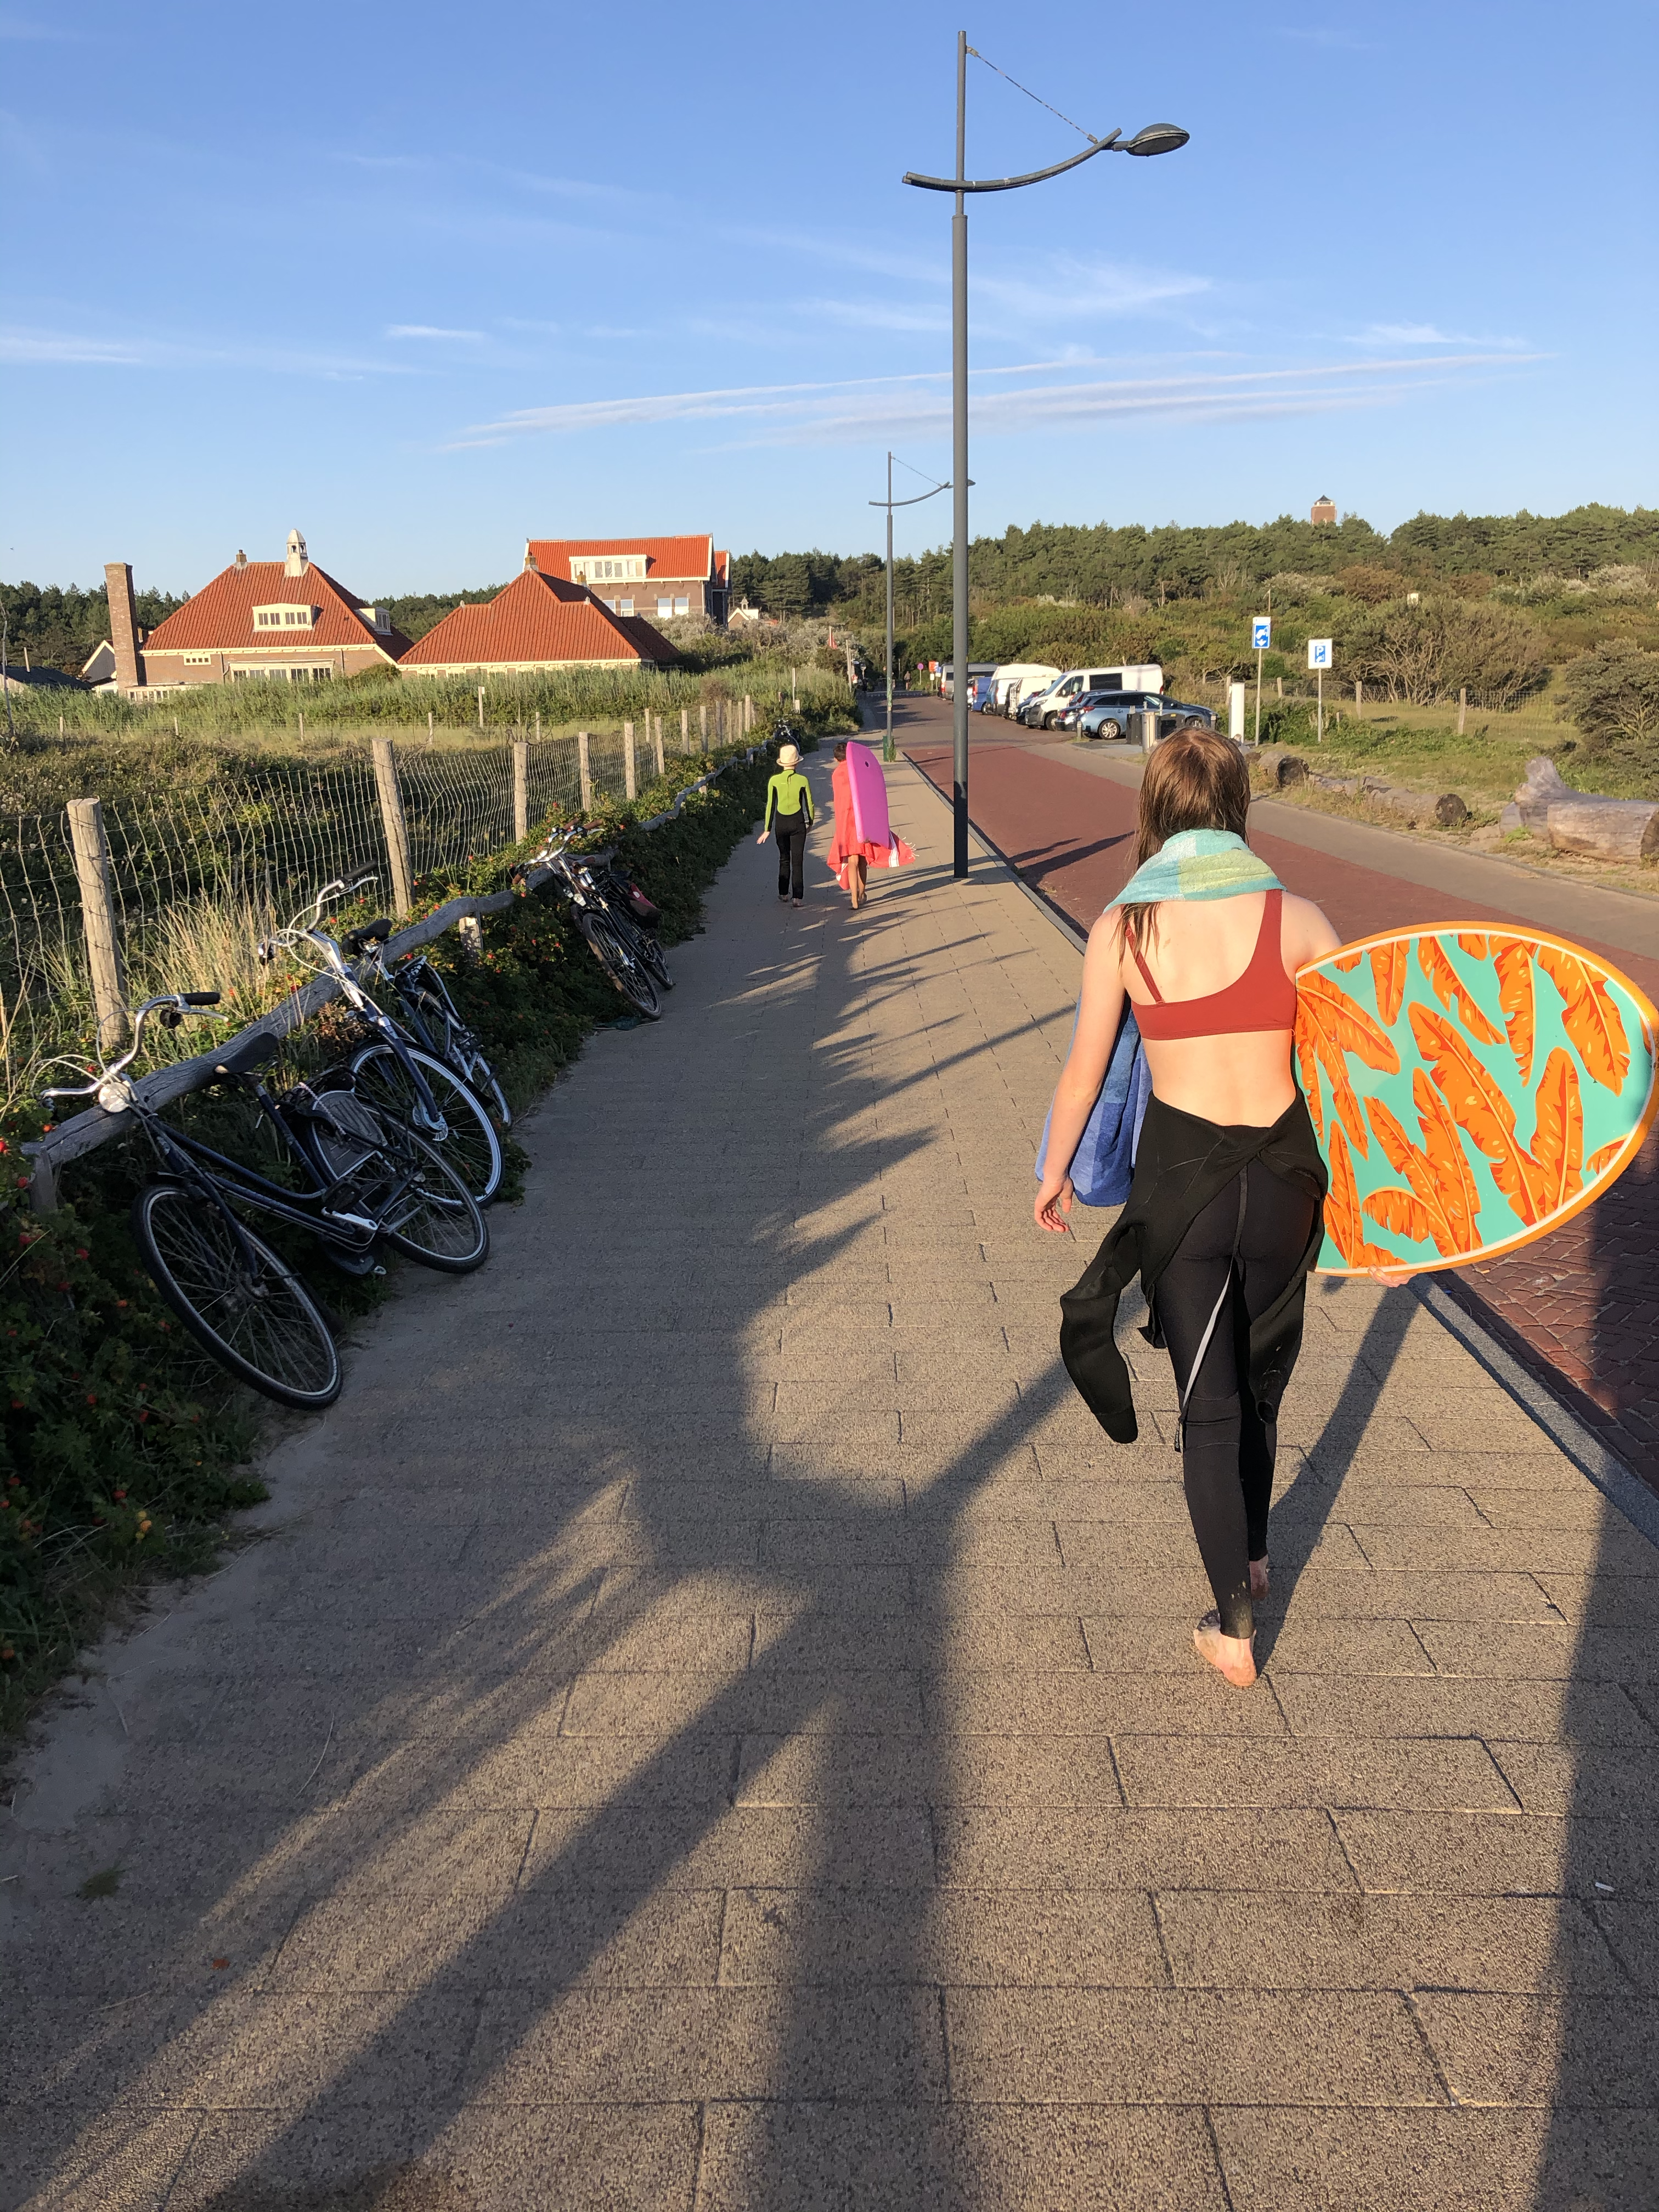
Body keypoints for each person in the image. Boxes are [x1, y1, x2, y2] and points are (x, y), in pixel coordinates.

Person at [1034, 729, 1341, 1689]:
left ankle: (1234, 1627)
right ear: (1237, 806)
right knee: (1260, 1380)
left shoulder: (1122, 928)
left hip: (1184, 1189)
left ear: (1155, 811)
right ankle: (1250, 1550)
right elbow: (1352, 1074)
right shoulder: (1296, 918)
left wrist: (1052, 1170)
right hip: (1285, 1180)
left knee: (1206, 1409)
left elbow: (1086, 1067)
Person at [826, 740, 898, 911]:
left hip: (844, 821)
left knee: (852, 860)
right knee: (862, 860)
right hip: (860, 820)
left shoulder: (836, 774)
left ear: (836, 759)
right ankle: (862, 893)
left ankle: (853, 899)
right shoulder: (856, 771)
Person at [758, 742, 814, 906]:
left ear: (781, 763)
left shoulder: (774, 781)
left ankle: (783, 893)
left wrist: (767, 829)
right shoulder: (803, 780)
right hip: (797, 822)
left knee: (784, 858)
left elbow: (770, 805)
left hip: (781, 823)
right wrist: (810, 821)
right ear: (797, 762)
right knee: (798, 860)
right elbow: (809, 803)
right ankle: (798, 897)